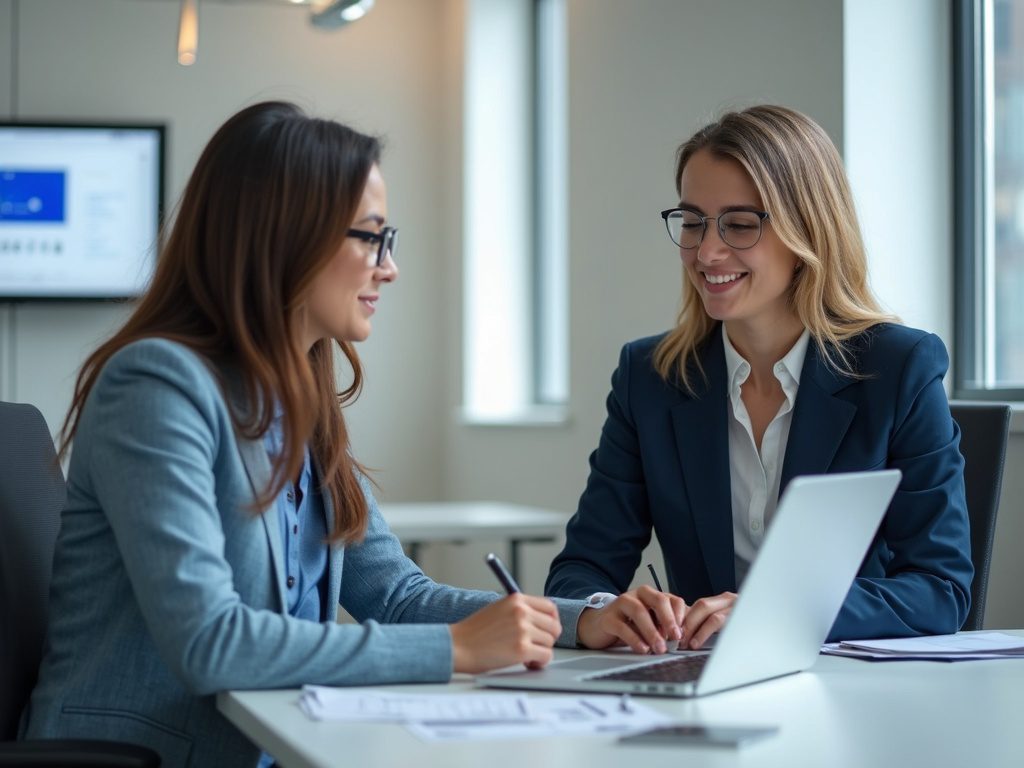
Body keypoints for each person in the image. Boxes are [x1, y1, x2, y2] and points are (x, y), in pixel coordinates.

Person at [20, 101, 584, 768]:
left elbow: (397, 595)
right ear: (287, 237)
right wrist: (458, 649)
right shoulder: (154, 385)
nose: (389, 266)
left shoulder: (301, 399)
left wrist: (584, 621)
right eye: (369, 237)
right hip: (145, 755)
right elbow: (211, 642)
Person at [545, 104, 973, 656]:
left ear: (808, 232)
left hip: (849, 684)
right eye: (693, 221)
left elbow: (939, 590)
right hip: (701, 685)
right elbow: (580, 572)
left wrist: (777, 613)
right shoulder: (650, 378)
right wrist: (608, 612)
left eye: (740, 225)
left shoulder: (898, 368)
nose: (707, 252)